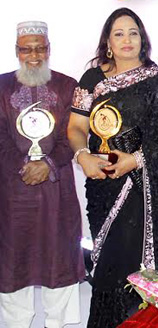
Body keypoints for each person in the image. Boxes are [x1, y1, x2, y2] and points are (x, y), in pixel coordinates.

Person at [67, 8, 158, 326]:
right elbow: (76, 127)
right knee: (106, 268)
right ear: (108, 41)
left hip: (141, 190)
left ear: (142, 38)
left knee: (130, 269)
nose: (126, 39)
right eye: (118, 33)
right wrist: (82, 156)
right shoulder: (92, 79)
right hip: (101, 188)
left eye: (133, 32)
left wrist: (134, 160)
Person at [0, 21, 84, 328]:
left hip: (56, 192)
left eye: (39, 48)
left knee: (58, 262)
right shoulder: (1, 86)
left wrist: (46, 164)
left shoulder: (67, 86)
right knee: (13, 267)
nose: (33, 55)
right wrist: (25, 167)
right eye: (26, 48)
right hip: (12, 194)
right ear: (16, 52)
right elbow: (0, 140)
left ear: (48, 50)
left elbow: (72, 137)